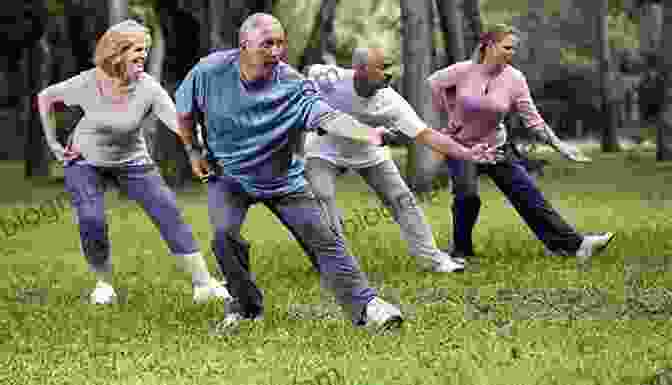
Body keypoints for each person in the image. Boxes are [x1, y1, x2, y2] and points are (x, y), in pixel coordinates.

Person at [174, 13, 406, 330]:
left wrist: (371, 134)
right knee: (223, 236)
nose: (275, 51)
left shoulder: (293, 85)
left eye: (280, 43)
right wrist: (193, 151)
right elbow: (185, 113)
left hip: (283, 180)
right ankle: (244, 308)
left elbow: (328, 117)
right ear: (243, 45)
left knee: (324, 239)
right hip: (228, 175)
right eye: (266, 44)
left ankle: (367, 307)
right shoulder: (209, 72)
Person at [37, 20, 231, 304]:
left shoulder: (148, 88)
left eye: (146, 50)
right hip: (85, 159)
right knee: (91, 218)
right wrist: (53, 143)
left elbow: (179, 122)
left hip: (132, 160)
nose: (143, 56)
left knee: (167, 210)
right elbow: (46, 97)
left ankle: (203, 284)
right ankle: (103, 284)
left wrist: (201, 146)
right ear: (117, 53)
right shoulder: (88, 82)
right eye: (137, 50)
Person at [426, 24, 615, 265]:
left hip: (495, 147)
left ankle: (576, 245)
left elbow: (533, 121)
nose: (511, 53)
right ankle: (461, 251)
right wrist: (449, 110)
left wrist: (561, 146)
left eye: (514, 49)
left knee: (527, 193)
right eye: (507, 47)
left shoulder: (515, 79)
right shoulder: (463, 71)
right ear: (489, 45)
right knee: (467, 195)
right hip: (460, 147)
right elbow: (433, 83)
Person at [302, 46, 495, 273]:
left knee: (403, 200)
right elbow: (306, 73)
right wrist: (313, 112)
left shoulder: (391, 101)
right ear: (360, 70)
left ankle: (433, 259)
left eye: (389, 67)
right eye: (382, 68)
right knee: (321, 193)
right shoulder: (332, 79)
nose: (389, 74)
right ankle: (335, 262)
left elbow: (426, 135)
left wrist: (467, 153)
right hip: (324, 150)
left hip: (370, 152)